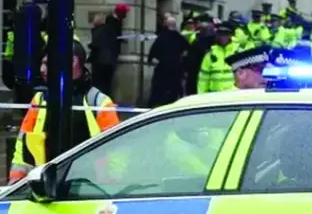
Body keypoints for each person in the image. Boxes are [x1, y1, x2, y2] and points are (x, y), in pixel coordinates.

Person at [9, 41, 120, 183]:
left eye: (48, 64)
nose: (42, 69)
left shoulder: (100, 103)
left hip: (89, 190)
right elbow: (22, 146)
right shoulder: (39, 100)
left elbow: (116, 152)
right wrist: (15, 182)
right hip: (45, 188)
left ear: (72, 62)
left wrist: (112, 189)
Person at [147, 14, 188, 107]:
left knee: (158, 88)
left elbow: (154, 50)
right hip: (176, 67)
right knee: (174, 88)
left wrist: (150, 60)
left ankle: (155, 104)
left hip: (163, 67)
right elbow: (187, 48)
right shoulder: (179, 37)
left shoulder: (162, 36)